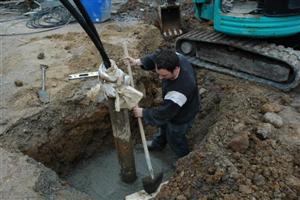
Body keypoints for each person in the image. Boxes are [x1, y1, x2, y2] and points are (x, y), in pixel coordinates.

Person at [126, 49, 200, 159]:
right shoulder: (174, 57)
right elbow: (156, 56)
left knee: (175, 137)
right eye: (158, 74)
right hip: (173, 104)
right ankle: (158, 144)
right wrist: (138, 62)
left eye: (164, 75)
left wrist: (144, 113)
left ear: (176, 69)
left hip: (183, 114)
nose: (160, 78)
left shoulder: (182, 88)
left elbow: (165, 113)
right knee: (163, 127)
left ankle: (182, 159)